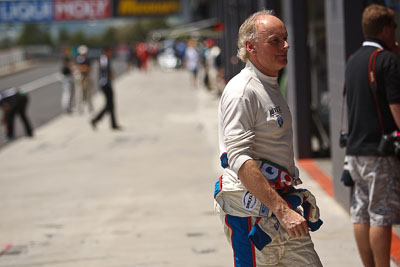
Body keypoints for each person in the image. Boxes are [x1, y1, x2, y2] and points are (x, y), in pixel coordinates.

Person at [213, 10, 322, 266]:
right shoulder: (242, 91)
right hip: (252, 213)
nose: (285, 45)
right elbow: (238, 158)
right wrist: (282, 211)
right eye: (274, 40)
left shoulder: (269, 84)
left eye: (284, 38)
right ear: (250, 46)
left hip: (280, 206)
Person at [344, 4, 400, 267]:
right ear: (386, 29)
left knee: (361, 213)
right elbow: (395, 105)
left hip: (354, 152)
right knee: (381, 215)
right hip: (380, 152)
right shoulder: (387, 60)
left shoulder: (353, 60)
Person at [91, 47, 121, 131]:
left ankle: (113, 124)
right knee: (109, 105)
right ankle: (96, 119)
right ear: (106, 52)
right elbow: (105, 71)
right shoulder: (103, 59)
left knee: (111, 105)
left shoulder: (105, 59)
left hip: (107, 83)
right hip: (105, 84)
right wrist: (110, 75)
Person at [76, 45, 93, 113]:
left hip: (87, 76)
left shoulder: (87, 59)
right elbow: (79, 67)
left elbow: (88, 68)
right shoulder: (78, 59)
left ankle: (90, 106)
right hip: (80, 76)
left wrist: (83, 68)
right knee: (79, 93)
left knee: (89, 92)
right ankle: (79, 107)